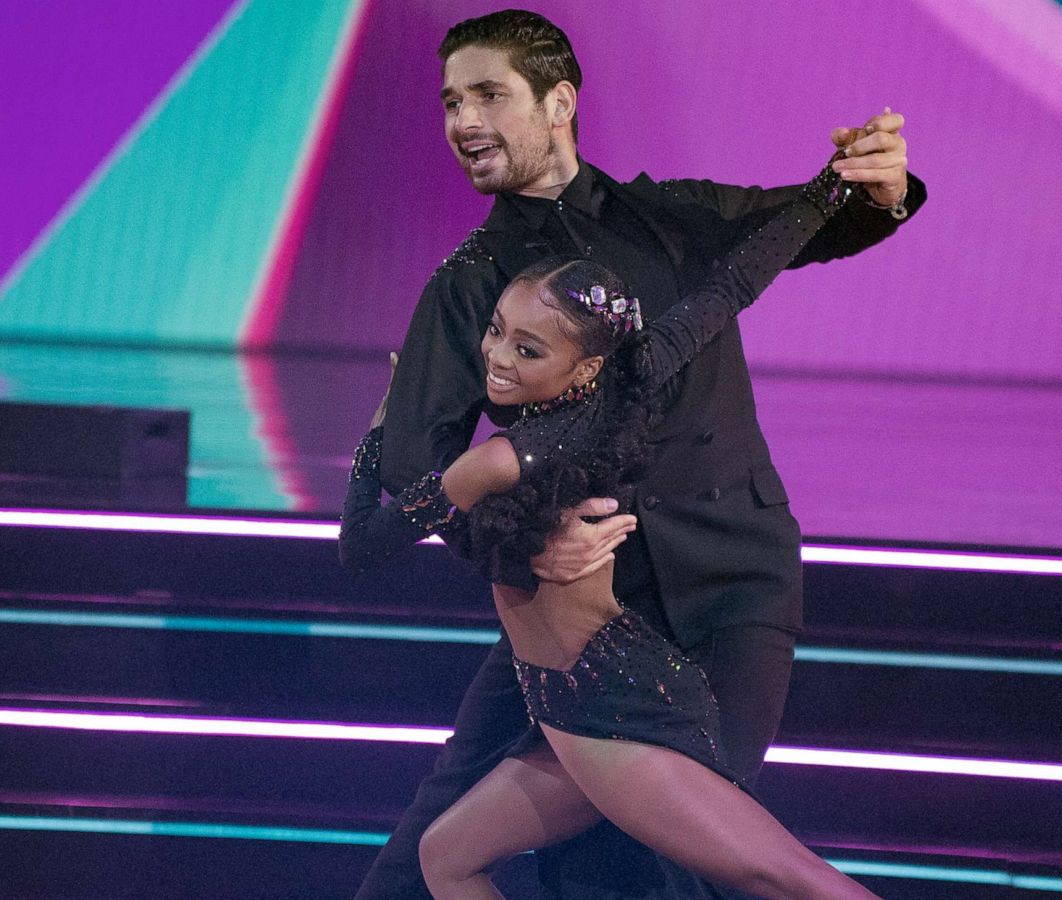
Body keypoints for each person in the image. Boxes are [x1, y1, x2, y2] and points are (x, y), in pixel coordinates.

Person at [360, 9, 923, 899]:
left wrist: (878, 186)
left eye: (488, 95)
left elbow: (809, 223)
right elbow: (409, 476)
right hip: (575, 615)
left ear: (560, 102)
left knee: (679, 854)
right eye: (449, 101)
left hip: (732, 585)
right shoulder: (468, 284)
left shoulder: (670, 218)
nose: (463, 121)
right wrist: (520, 546)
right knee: (433, 852)